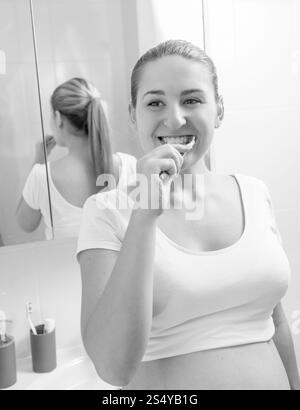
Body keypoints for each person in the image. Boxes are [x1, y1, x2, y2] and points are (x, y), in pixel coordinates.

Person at [77, 40, 300, 390]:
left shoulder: (255, 193)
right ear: (134, 116)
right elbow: (112, 368)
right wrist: (144, 215)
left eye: (192, 99)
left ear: (219, 110)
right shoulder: (107, 211)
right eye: (155, 102)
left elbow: (277, 322)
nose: (175, 117)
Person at [16, 77, 136, 240]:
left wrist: (38, 160)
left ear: (58, 118)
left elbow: (25, 224)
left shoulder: (42, 175)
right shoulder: (130, 165)